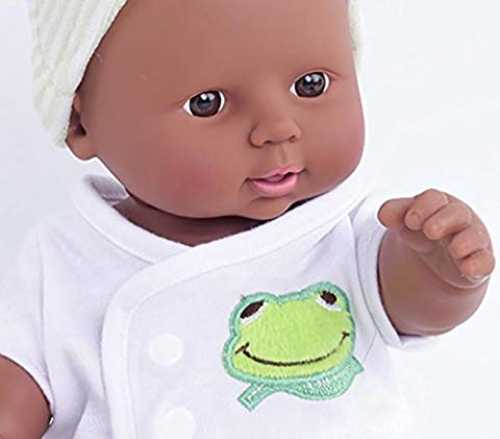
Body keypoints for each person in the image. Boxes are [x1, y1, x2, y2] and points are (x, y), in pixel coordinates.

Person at [0, 0, 495, 437]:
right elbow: (18, 381)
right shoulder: (63, 260)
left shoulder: (347, 232)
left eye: (311, 85)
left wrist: (440, 275)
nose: (278, 127)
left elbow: (408, 306)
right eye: (207, 104)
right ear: (80, 122)